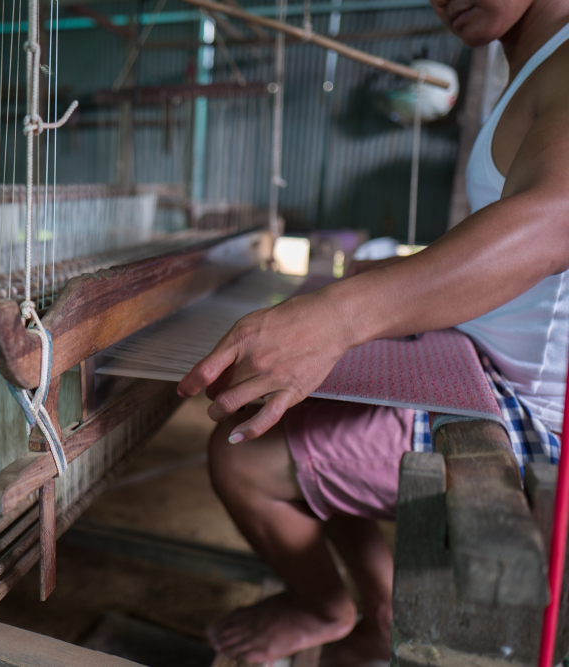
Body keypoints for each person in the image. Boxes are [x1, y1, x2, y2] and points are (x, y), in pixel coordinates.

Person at [180, 0, 569, 662]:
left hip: (529, 417)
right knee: (277, 399)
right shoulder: (533, 66)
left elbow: (553, 221)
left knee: (242, 452)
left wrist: (340, 315)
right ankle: (379, 603)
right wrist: (379, 277)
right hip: (485, 362)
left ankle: (323, 604)